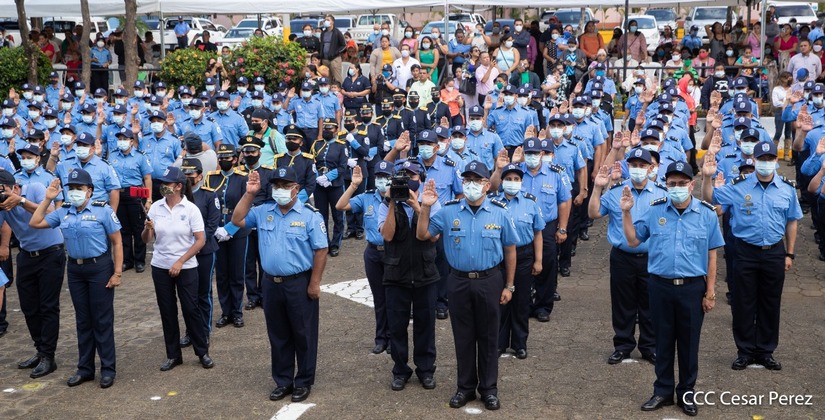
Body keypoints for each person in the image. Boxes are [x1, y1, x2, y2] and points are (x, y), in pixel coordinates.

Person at [621, 161, 723, 417]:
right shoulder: (655, 211)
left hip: (692, 288)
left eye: (681, 183)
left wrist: (710, 292)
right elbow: (633, 240)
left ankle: (686, 393)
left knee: (689, 344)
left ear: (691, 185)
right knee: (663, 341)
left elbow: (712, 256)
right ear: (666, 185)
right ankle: (663, 391)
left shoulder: (707, 214)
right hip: (660, 287)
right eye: (672, 183)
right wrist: (626, 213)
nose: (676, 187)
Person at [416, 160, 517, 411]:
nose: (471, 185)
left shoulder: (500, 212)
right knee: (463, 336)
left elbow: (510, 249)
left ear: (487, 185)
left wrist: (509, 285)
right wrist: (425, 207)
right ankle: (465, 387)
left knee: (489, 337)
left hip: (489, 280)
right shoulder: (449, 211)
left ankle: (489, 389)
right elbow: (423, 235)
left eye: (476, 180)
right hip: (458, 281)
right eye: (467, 180)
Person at [231, 167, 328, 403]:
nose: (280, 190)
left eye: (285, 186)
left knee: (303, 334)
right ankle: (283, 381)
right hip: (271, 284)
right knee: (278, 334)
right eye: (276, 186)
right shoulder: (263, 211)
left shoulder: (310, 215)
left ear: (296, 189)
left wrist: (314, 283)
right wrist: (250, 194)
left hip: (299, 283)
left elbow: (321, 250)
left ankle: (303, 381)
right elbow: (237, 220)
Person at [703, 142, 801, 371]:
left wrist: (790, 253)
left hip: (774, 252)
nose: (766, 163)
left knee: (770, 302)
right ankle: (745, 351)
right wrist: (707, 178)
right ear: (754, 160)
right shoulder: (739, 185)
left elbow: (792, 221)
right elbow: (711, 199)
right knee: (743, 302)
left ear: (776, 161)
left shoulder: (786, 189)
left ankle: (766, 351)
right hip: (745, 252)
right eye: (762, 159)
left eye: (770, 159)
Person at [30, 170, 122, 389]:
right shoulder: (63, 211)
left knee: (101, 320)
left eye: (79, 188)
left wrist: (117, 273)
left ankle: (107, 369)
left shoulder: (103, 210)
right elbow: (35, 222)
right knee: (83, 321)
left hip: (99, 268)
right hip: (75, 270)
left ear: (89, 191)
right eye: (71, 188)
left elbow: (117, 242)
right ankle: (85, 369)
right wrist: (48, 199)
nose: (74, 192)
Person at [589, 149, 666, 365]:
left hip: (651, 257)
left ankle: (649, 347)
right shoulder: (616, 192)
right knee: (623, 304)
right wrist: (597, 188)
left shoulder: (662, 194)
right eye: (633, 165)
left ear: (651, 168)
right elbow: (593, 213)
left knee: (650, 304)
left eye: (642, 165)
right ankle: (623, 346)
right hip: (622, 257)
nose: (637, 169)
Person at [376, 159, 440, 391]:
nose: (407, 181)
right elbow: (388, 235)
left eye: (411, 176)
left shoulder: (431, 201)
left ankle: (426, 370)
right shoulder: (385, 204)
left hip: (425, 273)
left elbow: (434, 235)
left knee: (426, 325)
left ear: (419, 179)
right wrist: (393, 202)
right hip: (396, 275)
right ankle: (400, 370)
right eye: (401, 177)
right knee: (397, 326)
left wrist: (418, 206)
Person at [142, 166, 212, 372]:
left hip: (186, 266)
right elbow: (147, 239)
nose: (163, 186)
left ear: (179, 186)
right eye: (162, 183)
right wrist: (147, 229)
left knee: (191, 309)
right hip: (160, 266)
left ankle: (202, 351)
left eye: (167, 183)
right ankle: (173, 355)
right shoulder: (156, 207)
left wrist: (180, 261)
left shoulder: (190, 209)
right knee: (167, 311)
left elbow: (200, 240)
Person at [0, 170, 66, 378]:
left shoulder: (35, 188)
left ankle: (48, 356)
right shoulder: (2, 206)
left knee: (48, 306)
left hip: (51, 254)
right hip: (26, 256)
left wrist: (20, 202)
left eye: (3, 191)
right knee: (29, 307)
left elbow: (50, 214)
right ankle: (40, 350)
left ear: (15, 187)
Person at [336, 163, 391, 354]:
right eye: (379, 176)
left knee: (394, 298)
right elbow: (340, 206)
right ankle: (381, 338)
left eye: (386, 177)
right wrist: (353, 185)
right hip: (373, 253)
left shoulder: (399, 198)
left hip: (393, 253)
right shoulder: (367, 197)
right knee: (379, 298)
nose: (382, 181)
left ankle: (394, 338)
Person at [495, 163, 544, 359]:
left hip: (524, 255)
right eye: (508, 179)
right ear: (502, 181)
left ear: (521, 182)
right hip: (499, 257)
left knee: (521, 301)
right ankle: (499, 343)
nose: (512, 182)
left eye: (516, 179)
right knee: (500, 300)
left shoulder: (530, 202)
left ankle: (519, 343)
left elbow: (538, 232)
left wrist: (538, 260)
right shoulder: (493, 202)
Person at [178, 158, 221, 348]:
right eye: (184, 173)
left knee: (203, 293)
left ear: (200, 176)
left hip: (204, 252)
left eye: (191, 174)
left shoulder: (209, 195)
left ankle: (204, 331)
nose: (187, 177)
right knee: (188, 296)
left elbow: (212, 225)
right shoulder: (178, 198)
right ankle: (190, 332)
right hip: (184, 253)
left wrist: (197, 243)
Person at [109, 128, 152, 273]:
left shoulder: (140, 156)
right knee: (123, 229)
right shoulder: (113, 156)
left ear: (132, 141)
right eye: (119, 139)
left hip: (135, 194)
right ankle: (127, 261)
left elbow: (147, 178)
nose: (121, 141)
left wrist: (149, 199)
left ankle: (139, 261)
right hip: (118, 195)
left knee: (138, 228)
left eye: (124, 139)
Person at [311, 118, 348, 257]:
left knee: (338, 215)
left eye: (330, 128)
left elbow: (343, 167)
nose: (327, 130)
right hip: (319, 185)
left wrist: (328, 177)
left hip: (335, 185)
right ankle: (324, 243)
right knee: (321, 216)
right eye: (325, 128)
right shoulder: (317, 144)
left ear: (336, 130)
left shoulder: (341, 146)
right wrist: (318, 177)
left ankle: (335, 244)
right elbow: (311, 163)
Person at [319, 15, 347, 84]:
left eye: (328, 20)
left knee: (337, 78)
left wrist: (336, 53)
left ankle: (339, 89)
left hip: (334, 59)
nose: (326, 21)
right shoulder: (323, 33)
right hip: (325, 59)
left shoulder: (337, 32)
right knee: (327, 80)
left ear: (332, 22)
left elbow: (344, 46)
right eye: (325, 20)